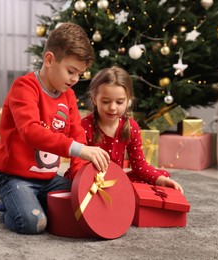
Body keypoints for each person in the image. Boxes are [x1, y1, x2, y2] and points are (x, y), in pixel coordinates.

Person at [0, 22, 110, 235]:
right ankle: (10, 208)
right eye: (71, 71)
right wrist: (79, 149)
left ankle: (28, 203)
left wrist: (79, 176)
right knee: (33, 223)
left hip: (48, 179)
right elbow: (31, 131)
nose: (75, 80)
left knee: (85, 199)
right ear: (49, 60)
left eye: (79, 74)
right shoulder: (24, 87)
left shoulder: (69, 96)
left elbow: (77, 136)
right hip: (15, 177)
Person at [65, 66, 184, 194]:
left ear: (128, 101)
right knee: (69, 185)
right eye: (105, 101)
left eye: (120, 102)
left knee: (161, 175)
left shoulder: (131, 126)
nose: (112, 108)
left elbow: (139, 165)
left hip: (114, 179)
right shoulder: (84, 126)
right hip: (87, 178)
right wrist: (89, 183)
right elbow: (78, 164)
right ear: (94, 99)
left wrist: (160, 180)